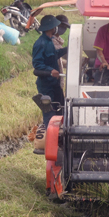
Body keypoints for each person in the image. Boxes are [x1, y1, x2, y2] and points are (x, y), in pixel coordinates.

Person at [32, 15, 68, 154]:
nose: (56, 28)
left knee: (62, 109)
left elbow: (55, 55)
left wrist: (66, 49)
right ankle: (51, 145)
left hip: (54, 84)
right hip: (46, 85)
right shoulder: (40, 44)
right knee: (50, 114)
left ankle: (61, 141)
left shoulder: (50, 42)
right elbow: (37, 67)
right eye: (55, 26)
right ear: (51, 28)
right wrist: (49, 71)